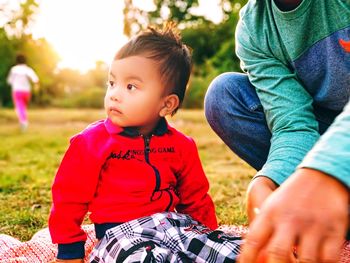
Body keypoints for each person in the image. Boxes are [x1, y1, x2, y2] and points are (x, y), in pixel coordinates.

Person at [49, 24, 243, 263]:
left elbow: (196, 198)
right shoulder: (91, 142)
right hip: (122, 234)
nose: (114, 94)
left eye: (131, 86)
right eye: (112, 83)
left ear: (167, 105)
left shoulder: (182, 146)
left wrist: (207, 236)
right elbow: (69, 198)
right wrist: (69, 252)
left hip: (176, 227)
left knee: (236, 253)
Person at [204, 0, 349, 262]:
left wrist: (330, 167)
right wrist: (267, 180)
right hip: (322, 131)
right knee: (224, 94)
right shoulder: (253, 28)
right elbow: (293, 124)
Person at [6, 54, 39, 131]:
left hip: (17, 90)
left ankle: (24, 122)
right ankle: (23, 120)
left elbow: (9, 81)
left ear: (16, 61)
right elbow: (35, 79)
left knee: (20, 107)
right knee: (23, 107)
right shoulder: (28, 69)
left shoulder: (14, 69)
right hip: (27, 91)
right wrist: (36, 86)